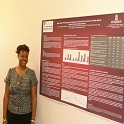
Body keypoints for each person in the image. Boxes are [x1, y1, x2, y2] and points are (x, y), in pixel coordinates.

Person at [3, 44, 38, 124]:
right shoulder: (11, 72)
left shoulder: (31, 74)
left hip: (25, 116)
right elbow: (6, 96)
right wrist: (4, 118)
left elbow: (34, 98)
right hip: (11, 114)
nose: (24, 59)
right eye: (22, 56)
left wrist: (33, 119)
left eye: (26, 56)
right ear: (18, 56)